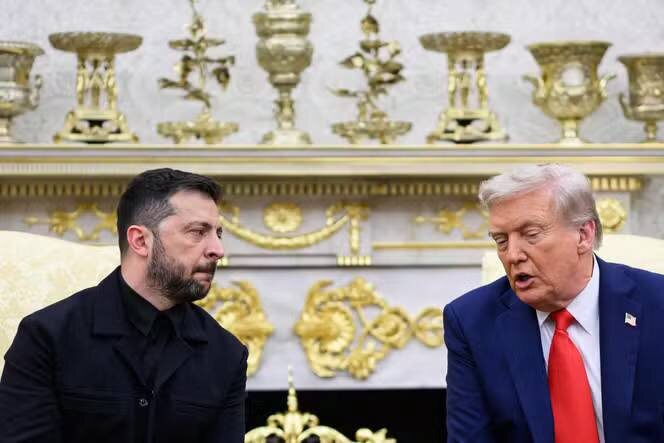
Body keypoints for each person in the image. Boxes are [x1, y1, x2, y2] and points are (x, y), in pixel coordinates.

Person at [0, 168, 248, 443]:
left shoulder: (228, 353)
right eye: (198, 232)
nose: (218, 249)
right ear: (140, 241)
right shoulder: (46, 337)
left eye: (218, 233)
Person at [444, 164, 664, 443]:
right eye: (501, 240)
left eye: (531, 234)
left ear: (583, 235)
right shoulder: (471, 322)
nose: (512, 255)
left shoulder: (657, 303)